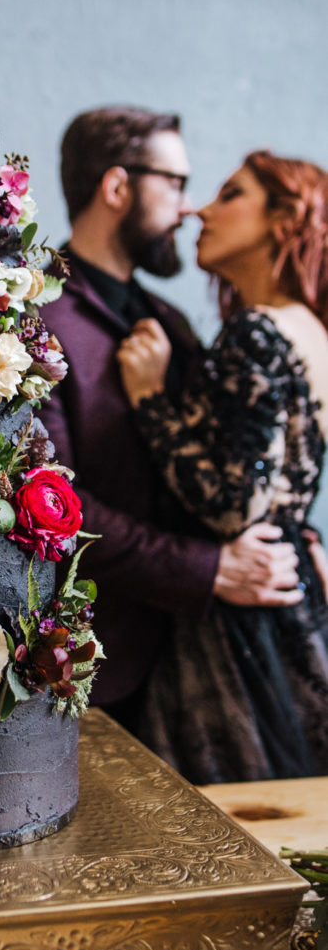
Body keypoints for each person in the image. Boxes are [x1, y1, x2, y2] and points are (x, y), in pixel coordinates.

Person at [39, 106, 302, 735]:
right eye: (176, 183)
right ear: (117, 187)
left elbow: (218, 466)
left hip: (208, 661)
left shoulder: (174, 321)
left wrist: (292, 536)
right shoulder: (37, 319)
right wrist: (207, 570)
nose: (189, 208)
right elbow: (53, 508)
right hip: (100, 670)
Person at [117, 150, 328, 781]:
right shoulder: (310, 329)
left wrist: (149, 398)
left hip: (244, 615)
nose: (201, 210)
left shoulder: (256, 332)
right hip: (294, 590)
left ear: (284, 219)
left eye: (230, 194)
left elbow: (235, 503)